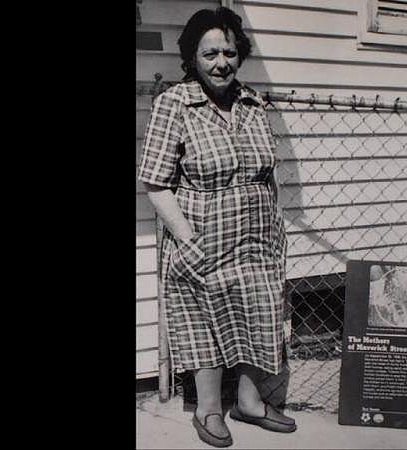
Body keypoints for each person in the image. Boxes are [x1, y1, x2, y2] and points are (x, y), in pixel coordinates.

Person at [137, 6, 295, 448]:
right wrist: (187, 238)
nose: (221, 62)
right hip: (203, 238)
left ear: (239, 53)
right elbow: (155, 183)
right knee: (204, 323)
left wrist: (276, 229)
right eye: (209, 54)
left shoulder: (253, 102)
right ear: (192, 57)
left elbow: (269, 173)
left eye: (229, 51)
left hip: (257, 239)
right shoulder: (174, 104)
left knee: (257, 317)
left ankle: (249, 403)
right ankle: (208, 409)